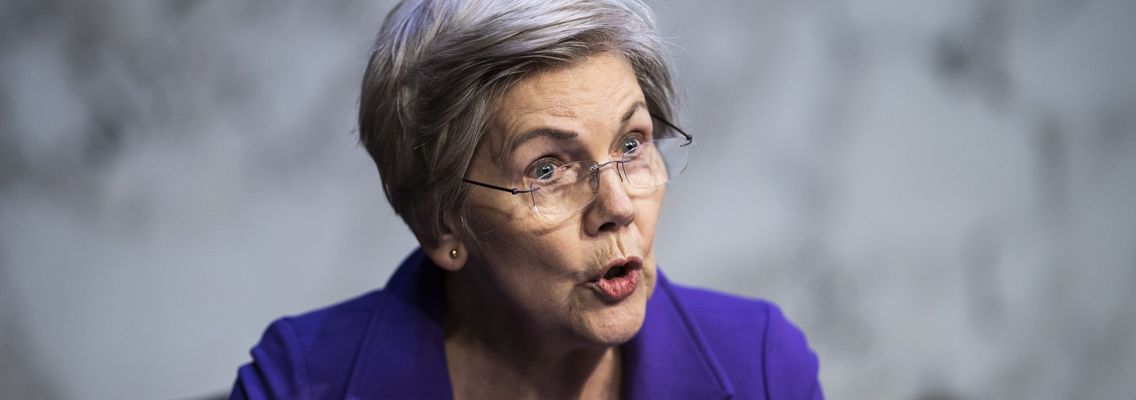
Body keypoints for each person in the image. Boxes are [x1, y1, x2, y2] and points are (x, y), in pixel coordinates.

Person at [230, 0, 822, 398]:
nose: (617, 205)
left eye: (633, 143)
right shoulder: (302, 382)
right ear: (443, 226)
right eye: (547, 168)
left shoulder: (761, 368)